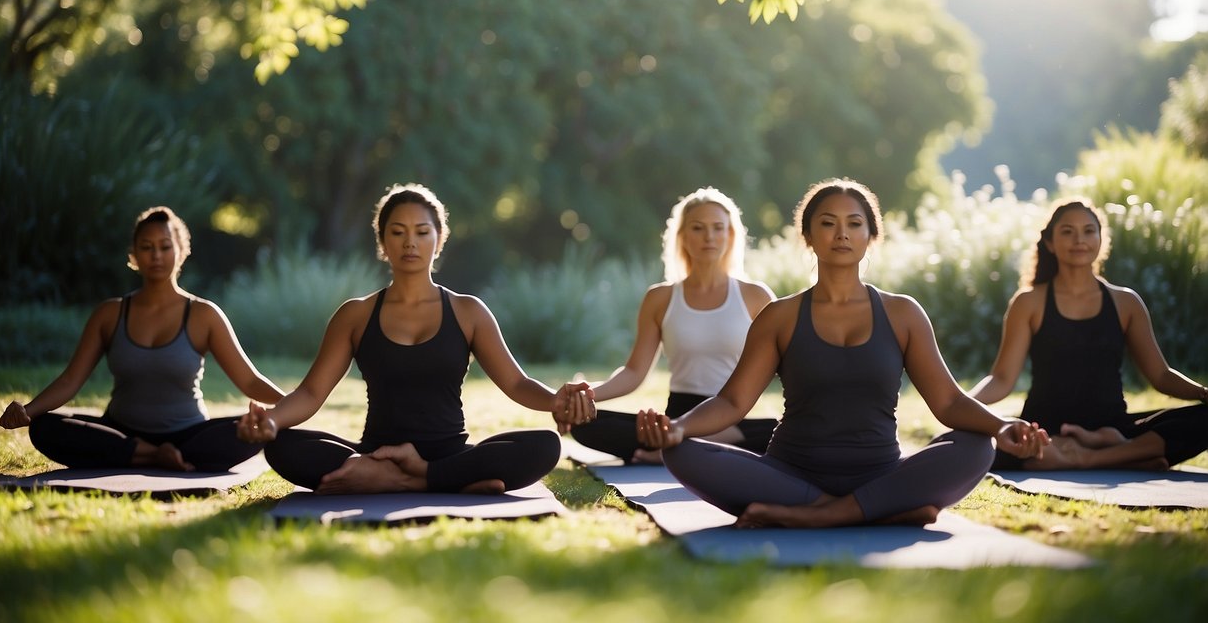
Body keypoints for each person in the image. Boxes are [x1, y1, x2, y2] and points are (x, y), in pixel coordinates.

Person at [635, 178, 1049, 528]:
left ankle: (821, 514)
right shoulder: (779, 316)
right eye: (828, 224)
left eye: (854, 224)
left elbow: (949, 401)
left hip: (878, 471)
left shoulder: (903, 313)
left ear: (872, 235)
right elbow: (732, 401)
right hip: (789, 474)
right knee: (681, 452)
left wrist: (1000, 425)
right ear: (809, 236)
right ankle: (876, 509)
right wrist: (678, 428)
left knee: (978, 447)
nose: (842, 234)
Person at [237, 183, 596, 494]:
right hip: (375, 453)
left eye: (422, 232)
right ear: (382, 241)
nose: (410, 242)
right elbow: (311, 393)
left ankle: (410, 479)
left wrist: (554, 401)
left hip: (450, 453)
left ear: (439, 240)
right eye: (397, 232)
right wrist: (272, 421)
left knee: (544, 445)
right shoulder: (355, 315)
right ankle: (442, 481)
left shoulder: (468, 311)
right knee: (282, 446)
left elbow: (516, 383)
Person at [0, 207, 284, 472]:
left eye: (165, 246)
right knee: (43, 427)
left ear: (181, 251)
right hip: (119, 431)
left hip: (189, 434)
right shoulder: (109, 314)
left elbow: (249, 381)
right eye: (146, 248)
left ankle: (153, 454)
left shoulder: (204, 315)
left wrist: (293, 403)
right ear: (133, 255)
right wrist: (27, 410)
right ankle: (154, 455)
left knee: (252, 429)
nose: (156, 255)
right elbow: (70, 380)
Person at [970, 198, 1208, 470]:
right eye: (1067, 231)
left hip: (1113, 427)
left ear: (1100, 239)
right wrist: (963, 403)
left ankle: (1090, 456)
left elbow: (1161, 376)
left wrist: (1202, 392)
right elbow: (1002, 379)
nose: (1079, 239)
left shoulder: (1125, 302)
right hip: (1046, 431)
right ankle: (1126, 455)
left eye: (1088, 230)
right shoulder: (1029, 302)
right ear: (1049, 243)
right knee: (981, 445)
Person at [569, 187, 777, 463]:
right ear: (682, 237)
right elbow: (634, 372)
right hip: (678, 415)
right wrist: (587, 395)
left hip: (730, 418)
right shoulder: (660, 298)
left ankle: (674, 447)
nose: (709, 237)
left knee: (780, 432)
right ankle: (679, 444)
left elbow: (785, 363)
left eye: (718, 228)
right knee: (585, 424)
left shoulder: (756, 296)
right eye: (698, 228)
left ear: (730, 235)